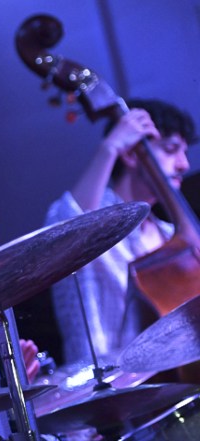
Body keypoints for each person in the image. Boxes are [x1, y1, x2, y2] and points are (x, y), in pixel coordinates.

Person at [46, 98, 197, 368]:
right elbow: (67, 226)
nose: (184, 164)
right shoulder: (97, 224)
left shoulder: (171, 238)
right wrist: (110, 148)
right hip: (103, 385)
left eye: (184, 151)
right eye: (171, 149)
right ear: (131, 154)